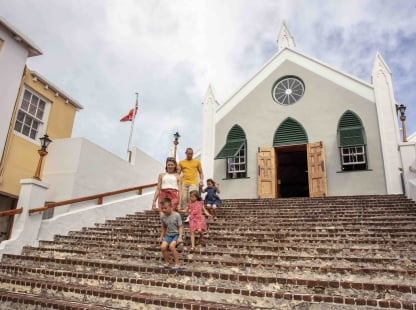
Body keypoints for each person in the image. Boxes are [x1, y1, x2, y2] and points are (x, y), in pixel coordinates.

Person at [158, 197, 183, 269]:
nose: (163, 210)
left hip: (176, 234)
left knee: (172, 246)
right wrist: (161, 236)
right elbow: (164, 227)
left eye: (165, 208)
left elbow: (180, 227)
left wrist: (180, 237)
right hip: (168, 235)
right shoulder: (163, 217)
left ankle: (177, 263)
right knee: (163, 247)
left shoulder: (177, 215)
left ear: (171, 207)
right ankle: (167, 262)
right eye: (162, 208)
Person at [178, 148, 204, 213]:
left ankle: (192, 213)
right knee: (184, 198)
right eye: (189, 153)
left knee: (192, 198)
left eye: (191, 154)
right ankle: (186, 214)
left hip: (193, 183)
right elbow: (178, 174)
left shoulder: (197, 162)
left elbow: (201, 172)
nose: (190, 155)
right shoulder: (181, 162)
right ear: (186, 153)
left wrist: (201, 180)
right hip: (184, 183)